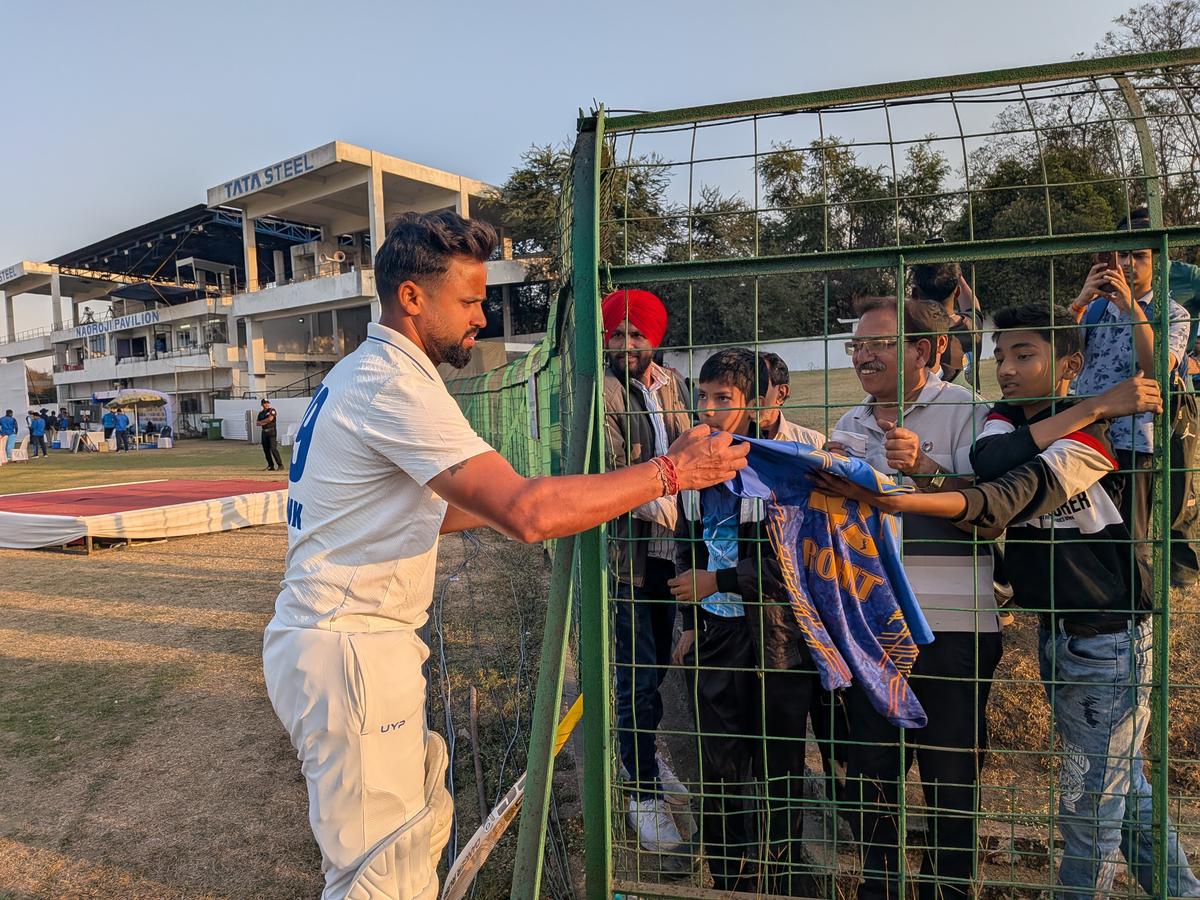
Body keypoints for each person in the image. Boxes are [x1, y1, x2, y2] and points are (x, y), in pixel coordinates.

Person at [260, 211, 748, 900]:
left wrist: (565, 500)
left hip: (351, 645)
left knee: (414, 840)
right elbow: (524, 513)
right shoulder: (393, 382)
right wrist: (671, 473)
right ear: (411, 298)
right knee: (379, 880)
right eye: (468, 300)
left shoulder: (365, 372)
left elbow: (446, 509)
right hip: (350, 649)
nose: (481, 318)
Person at [818, 301, 1200, 899]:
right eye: (1001, 355)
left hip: (1095, 629)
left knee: (1082, 798)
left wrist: (910, 489)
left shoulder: (1076, 438)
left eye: (1024, 354)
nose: (1007, 367)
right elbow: (993, 461)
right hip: (1026, 630)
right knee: (1117, 788)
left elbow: (1001, 499)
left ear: (927, 350)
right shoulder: (988, 423)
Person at [828, 295, 999, 900]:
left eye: (877, 343)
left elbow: (994, 512)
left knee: (952, 776)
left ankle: (948, 889)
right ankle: (879, 886)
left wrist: (922, 466)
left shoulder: (971, 412)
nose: (863, 355)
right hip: (874, 626)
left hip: (955, 625)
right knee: (874, 771)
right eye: (857, 345)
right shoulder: (846, 425)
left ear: (923, 351)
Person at [668, 348, 824, 895]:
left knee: (780, 761)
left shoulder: (780, 466)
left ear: (756, 403)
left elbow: (798, 564)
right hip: (717, 634)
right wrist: (691, 619)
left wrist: (722, 582)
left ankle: (784, 872)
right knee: (722, 764)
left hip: (778, 637)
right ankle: (731, 873)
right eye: (703, 397)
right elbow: (690, 545)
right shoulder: (697, 467)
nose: (709, 410)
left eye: (723, 400)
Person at [601, 288, 693, 852]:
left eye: (638, 335)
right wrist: (675, 490)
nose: (627, 344)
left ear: (655, 338)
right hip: (627, 554)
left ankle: (644, 754)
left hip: (672, 551)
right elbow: (611, 469)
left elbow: (691, 441)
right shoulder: (601, 388)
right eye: (618, 334)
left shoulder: (673, 383)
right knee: (636, 675)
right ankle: (640, 791)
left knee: (659, 661)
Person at [1070, 207, 1190, 579]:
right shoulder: (1094, 311)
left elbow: (1157, 365)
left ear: (1158, 262)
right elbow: (1059, 358)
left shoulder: (1172, 313)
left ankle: (1132, 620)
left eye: (1139, 256)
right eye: (1123, 255)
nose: (1129, 264)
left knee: (1129, 539)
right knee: (1082, 531)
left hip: (1134, 443)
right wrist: (1078, 304)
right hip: (1085, 434)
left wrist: (1132, 308)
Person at [911, 260, 983, 388]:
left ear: (915, 294)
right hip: (968, 404)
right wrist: (957, 274)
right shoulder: (972, 326)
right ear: (957, 292)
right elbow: (973, 306)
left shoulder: (912, 335)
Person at [258, 398, 284, 471]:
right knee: (266, 450)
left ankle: (280, 465)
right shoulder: (261, 413)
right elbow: (257, 423)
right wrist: (265, 421)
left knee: (273, 449)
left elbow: (270, 419)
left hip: (271, 432)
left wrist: (262, 421)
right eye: (265, 403)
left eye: (267, 403)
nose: (266, 404)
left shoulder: (272, 410)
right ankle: (270, 465)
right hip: (264, 433)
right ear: (262, 404)